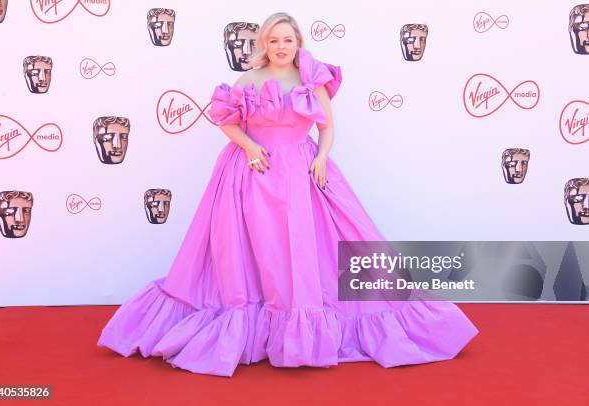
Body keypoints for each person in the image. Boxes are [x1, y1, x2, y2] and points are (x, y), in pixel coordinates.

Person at [97, 12, 479, 377]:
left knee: (311, 248)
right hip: (252, 173)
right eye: (274, 40)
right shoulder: (248, 79)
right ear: (265, 43)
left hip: (301, 171)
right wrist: (248, 146)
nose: (281, 46)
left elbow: (327, 127)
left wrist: (323, 157)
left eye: (288, 39)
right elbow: (225, 122)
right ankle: (258, 329)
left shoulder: (311, 79)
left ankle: (304, 332)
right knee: (254, 251)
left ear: (299, 42)